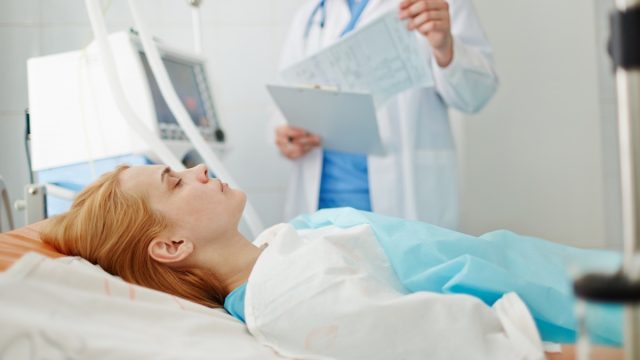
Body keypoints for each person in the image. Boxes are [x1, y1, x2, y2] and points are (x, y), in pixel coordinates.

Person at [42, 164, 623, 360]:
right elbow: (467, 350)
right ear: (170, 247)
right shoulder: (293, 299)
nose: (197, 169)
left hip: (559, 269)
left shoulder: (278, 244)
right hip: (582, 314)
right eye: (174, 182)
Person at [273, 0, 498, 229]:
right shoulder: (311, 13)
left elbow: (476, 97)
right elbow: (285, 99)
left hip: (404, 201)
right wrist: (286, 135)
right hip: (322, 205)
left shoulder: (440, 4)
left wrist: (445, 47)